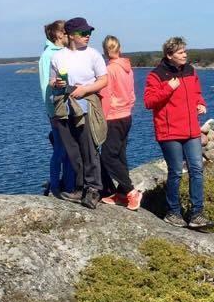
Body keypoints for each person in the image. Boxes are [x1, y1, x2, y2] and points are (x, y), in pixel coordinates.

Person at [143, 36, 212, 230]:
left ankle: (196, 213)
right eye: (181, 52)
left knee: (197, 170)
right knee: (175, 172)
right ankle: (173, 212)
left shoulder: (190, 71)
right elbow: (149, 102)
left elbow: (197, 93)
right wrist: (168, 87)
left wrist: (200, 103)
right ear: (170, 55)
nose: (185, 55)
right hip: (170, 132)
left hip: (191, 130)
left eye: (185, 51)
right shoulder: (156, 75)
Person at [49, 17, 109, 209]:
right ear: (71, 35)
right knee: (72, 149)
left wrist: (86, 89)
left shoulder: (93, 55)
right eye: (83, 33)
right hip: (64, 105)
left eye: (89, 32)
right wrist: (56, 83)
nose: (87, 36)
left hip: (86, 104)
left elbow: (103, 80)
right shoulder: (58, 56)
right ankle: (79, 187)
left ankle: (93, 189)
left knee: (89, 147)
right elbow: (52, 82)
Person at [99, 35, 142, 210]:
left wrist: (101, 117)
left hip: (113, 117)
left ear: (104, 51)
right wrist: (128, 108)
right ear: (119, 48)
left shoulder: (109, 70)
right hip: (126, 116)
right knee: (120, 155)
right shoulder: (127, 68)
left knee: (108, 157)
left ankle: (131, 191)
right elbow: (131, 94)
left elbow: (106, 97)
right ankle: (122, 194)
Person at [38, 20, 75, 197]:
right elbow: (46, 85)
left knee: (69, 149)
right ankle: (55, 187)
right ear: (59, 35)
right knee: (61, 149)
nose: (70, 35)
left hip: (69, 108)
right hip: (57, 110)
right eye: (67, 32)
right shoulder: (48, 55)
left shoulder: (65, 53)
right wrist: (52, 112)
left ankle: (69, 185)